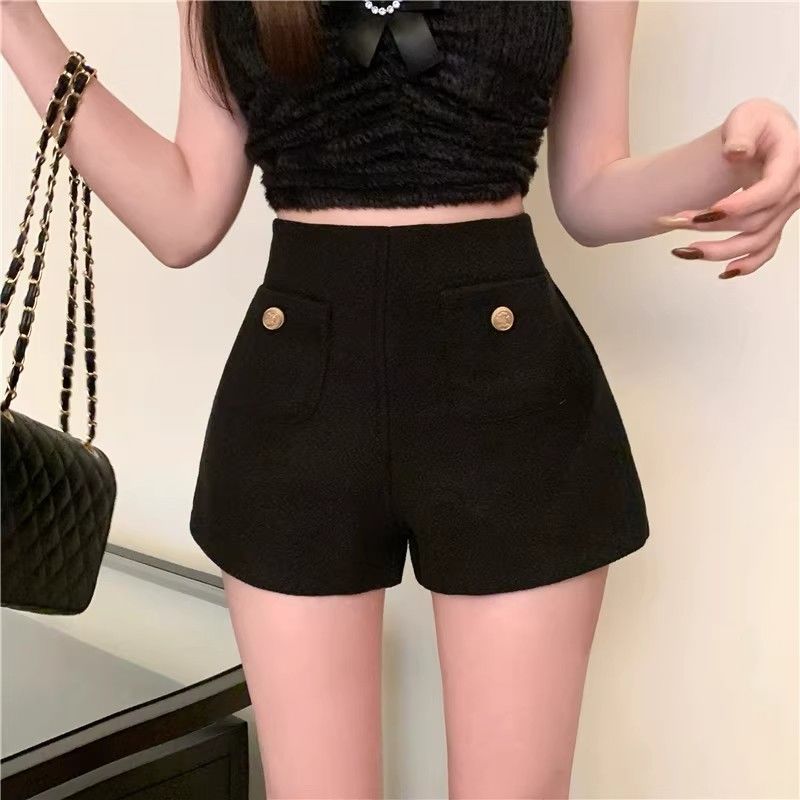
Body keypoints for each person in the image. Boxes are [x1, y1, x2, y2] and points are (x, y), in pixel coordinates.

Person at [3, 1, 797, 797]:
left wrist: (731, 155)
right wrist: (17, 23)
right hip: (297, 401)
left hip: (511, 399)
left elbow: (590, 193)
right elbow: (183, 213)